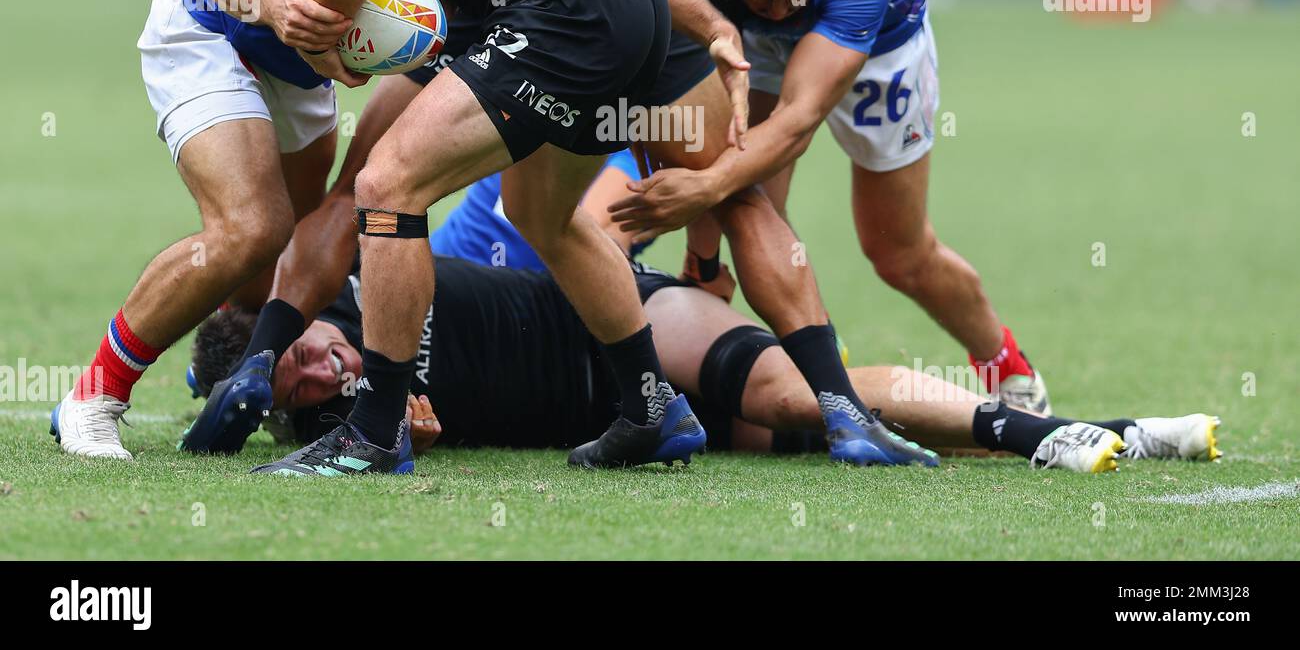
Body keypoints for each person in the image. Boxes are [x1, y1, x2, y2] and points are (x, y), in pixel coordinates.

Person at [141, 0, 758, 476]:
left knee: (386, 186)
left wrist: (326, 33)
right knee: (541, 216)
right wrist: (711, 26)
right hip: (623, 7)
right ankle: (651, 408)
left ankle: (373, 433)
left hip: (559, 13)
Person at [608, 0, 1053, 414]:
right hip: (747, 27)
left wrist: (707, 187)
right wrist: (707, 244)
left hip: (877, 40)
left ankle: (1008, 369)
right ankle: (823, 363)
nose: (773, 8)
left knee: (898, 252)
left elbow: (796, 122)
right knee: (754, 209)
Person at [191, 256, 1222, 475]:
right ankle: (1123, 428)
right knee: (812, 428)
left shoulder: (353, 281)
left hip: (629, 322)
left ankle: (1044, 434)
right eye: (310, 393)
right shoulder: (352, 416)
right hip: (607, 414)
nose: (327, 372)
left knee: (791, 389)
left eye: (310, 358)